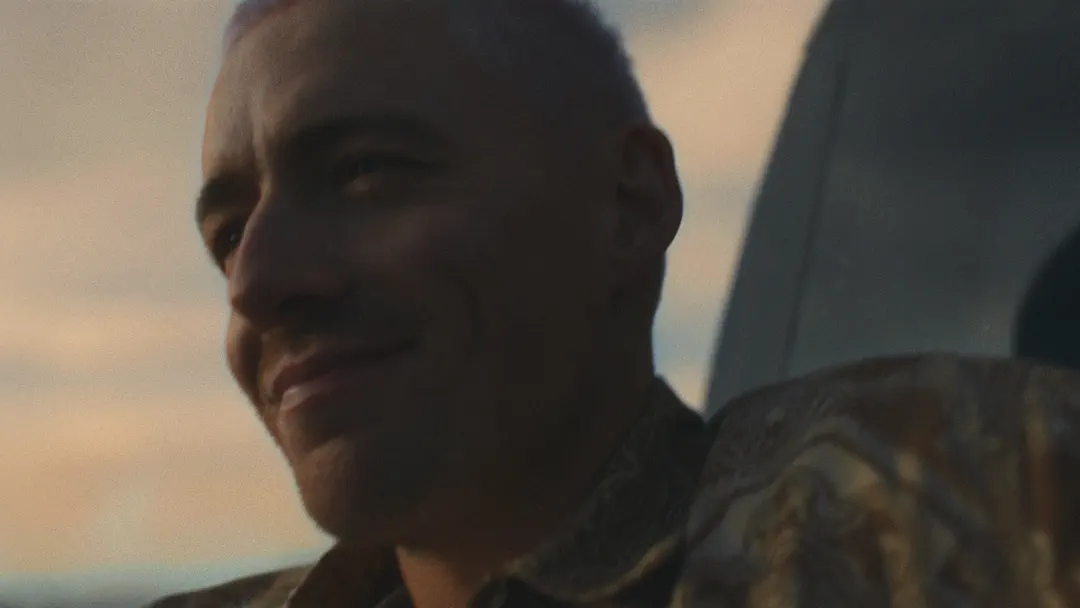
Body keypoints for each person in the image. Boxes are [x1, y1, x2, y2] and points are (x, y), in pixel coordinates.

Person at [152, 0, 1080, 606]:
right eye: (228, 234)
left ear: (627, 206)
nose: (254, 283)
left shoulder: (976, 495)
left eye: (364, 172)